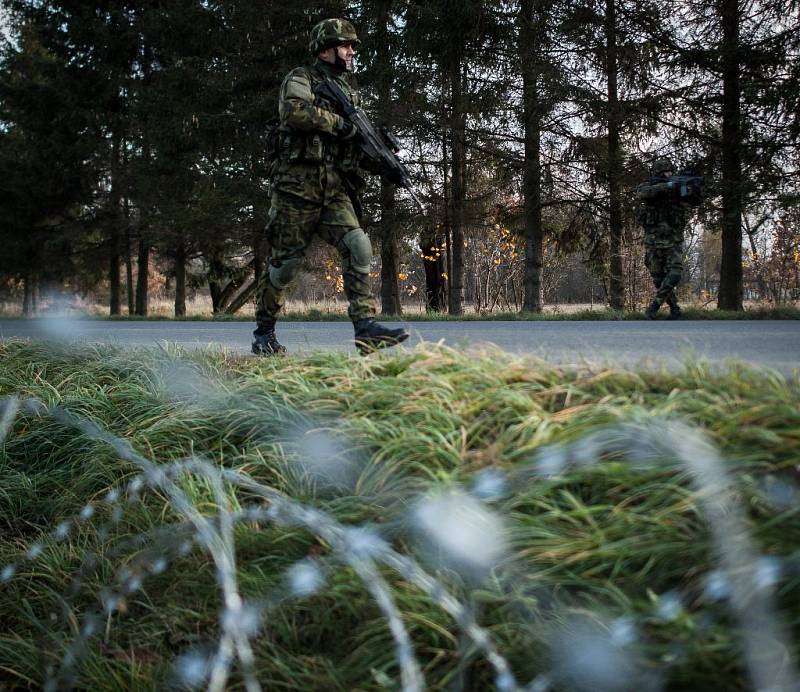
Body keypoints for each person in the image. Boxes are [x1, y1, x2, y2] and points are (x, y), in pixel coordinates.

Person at [252, 18, 409, 355]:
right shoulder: (301, 79)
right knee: (285, 266)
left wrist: (384, 165)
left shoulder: (350, 90)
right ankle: (264, 333)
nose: (351, 51)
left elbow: (353, 144)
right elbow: (293, 112)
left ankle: (365, 329)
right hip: (296, 189)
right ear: (325, 49)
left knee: (358, 245)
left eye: (352, 46)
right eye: (345, 45)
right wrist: (340, 124)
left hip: (333, 188)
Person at [635, 158, 693, 320]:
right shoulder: (649, 187)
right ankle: (675, 309)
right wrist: (666, 186)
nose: (669, 174)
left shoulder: (677, 190)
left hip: (672, 241)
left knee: (675, 273)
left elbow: (694, 200)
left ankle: (655, 306)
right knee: (658, 279)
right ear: (658, 173)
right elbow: (642, 193)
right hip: (653, 242)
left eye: (670, 171)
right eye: (665, 172)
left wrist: (686, 188)